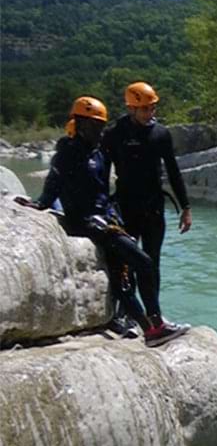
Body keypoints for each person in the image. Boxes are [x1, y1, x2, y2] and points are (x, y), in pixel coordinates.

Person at [17, 96, 190, 347]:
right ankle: (156, 324)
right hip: (87, 220)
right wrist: (38, 204)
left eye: (101, 126)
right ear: (80, 124)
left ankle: (148, 330)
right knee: (143, 262)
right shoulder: (67, 152)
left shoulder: (97, 152)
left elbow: (102, 188)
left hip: (105, 216)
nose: (99, 131)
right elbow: (51, 190)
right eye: (94, 126)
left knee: (121, 276)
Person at [101, 81, 192, 292]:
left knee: (152, 262)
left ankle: (154, 315)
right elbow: (103, 172)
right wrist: (103, 206)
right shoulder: (114, 133)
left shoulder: (160, 134)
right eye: (144, 108)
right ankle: (128, 312)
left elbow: (173, 171)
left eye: (153, 108)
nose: (150, 112)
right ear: (130, 108)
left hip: (153, 207)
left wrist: (186, 207)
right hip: (126, 206)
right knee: (128, 261)